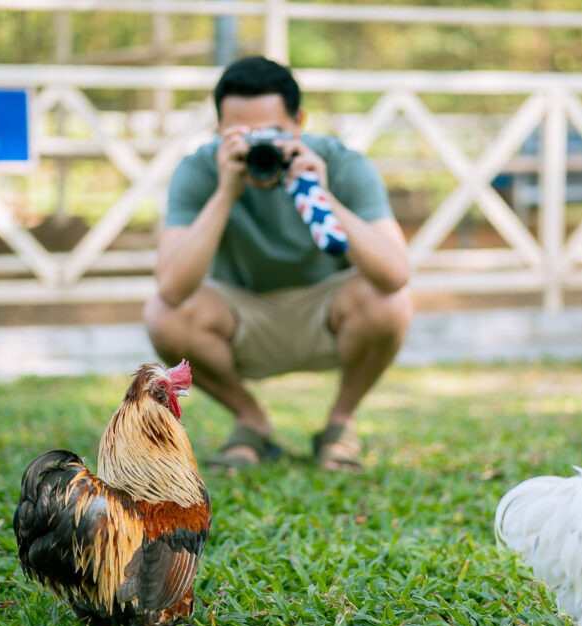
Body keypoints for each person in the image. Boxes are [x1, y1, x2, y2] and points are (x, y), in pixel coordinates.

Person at [143, 56, 412, 471]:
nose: (259, 146)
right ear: (219, 129)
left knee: (389, 303)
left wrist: (320, 192)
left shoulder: (339, 162)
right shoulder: (202, 168)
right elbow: (172, 289)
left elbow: (395, 274)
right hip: (241, 314)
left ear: (299, 122)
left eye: (272, 133)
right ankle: (251, 419)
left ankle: (340, 423)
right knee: (163, 315)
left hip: (329, 312)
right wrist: (226, 192)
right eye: (243, 134)